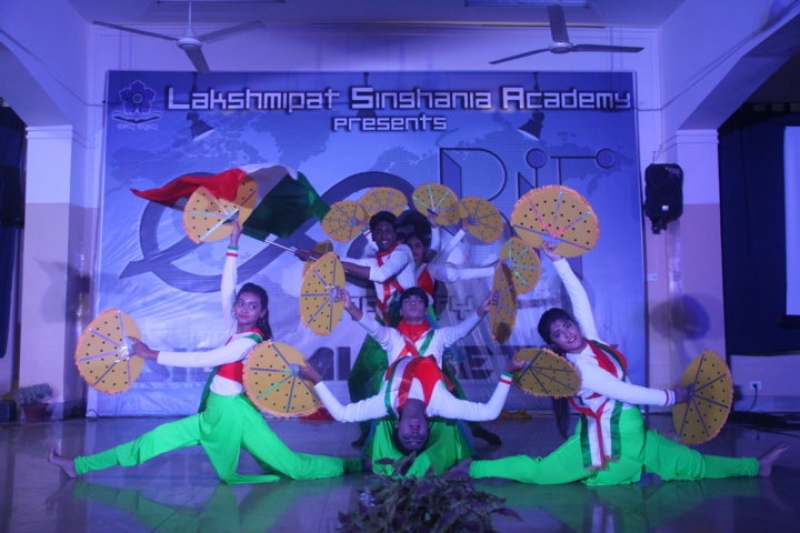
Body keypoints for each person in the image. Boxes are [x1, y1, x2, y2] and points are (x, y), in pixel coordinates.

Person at [49, 222, 364, 483]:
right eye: (241, 303)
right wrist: (233, 243)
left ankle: (350, 465)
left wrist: (152, 354)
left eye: (252, 306)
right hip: (214, 412)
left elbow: (207, 359)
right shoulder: (236, 327)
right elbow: (227, 289)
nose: (243, 308)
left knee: (291, 467)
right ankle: (78, 465)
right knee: (151, 441)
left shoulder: (249, 342)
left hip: (234, 414)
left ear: (262, 313)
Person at [457, 241, 789, 485]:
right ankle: (475, 468)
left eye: (567, 325)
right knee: (543, 472)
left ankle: (755, 466)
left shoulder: (593, 341)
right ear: (554, 344)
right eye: (558, 334)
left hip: (625, 431)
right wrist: (672, 397)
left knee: (689, 465)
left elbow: (579, 297)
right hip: (613, 435)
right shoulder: (579, 370)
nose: (567, 333)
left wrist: (558, 260)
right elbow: (623, 392)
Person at [299, 286, 525, 474]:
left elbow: (341, 414)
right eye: (409, 301)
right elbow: (489, 412)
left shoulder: (391, 347)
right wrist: (508, 371)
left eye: (407, 438)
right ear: (428, 427)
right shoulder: (440, 402)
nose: (415, 434)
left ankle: (381, 463)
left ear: (397, 427)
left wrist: (316, 379)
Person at [297, 210, 416, 447]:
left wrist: (329, 260)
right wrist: (314, 257)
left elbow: (381, 275)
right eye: (379, 231)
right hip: (383, 327)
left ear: (395, 234)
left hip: (410, 327)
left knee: (419, 382)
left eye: (388, 231)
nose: (383, 235)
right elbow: (348, 265)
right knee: (358, 379)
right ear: (374, 235)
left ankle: (394, 436)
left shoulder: (403, 252)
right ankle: (368, 431)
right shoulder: (374, 260)